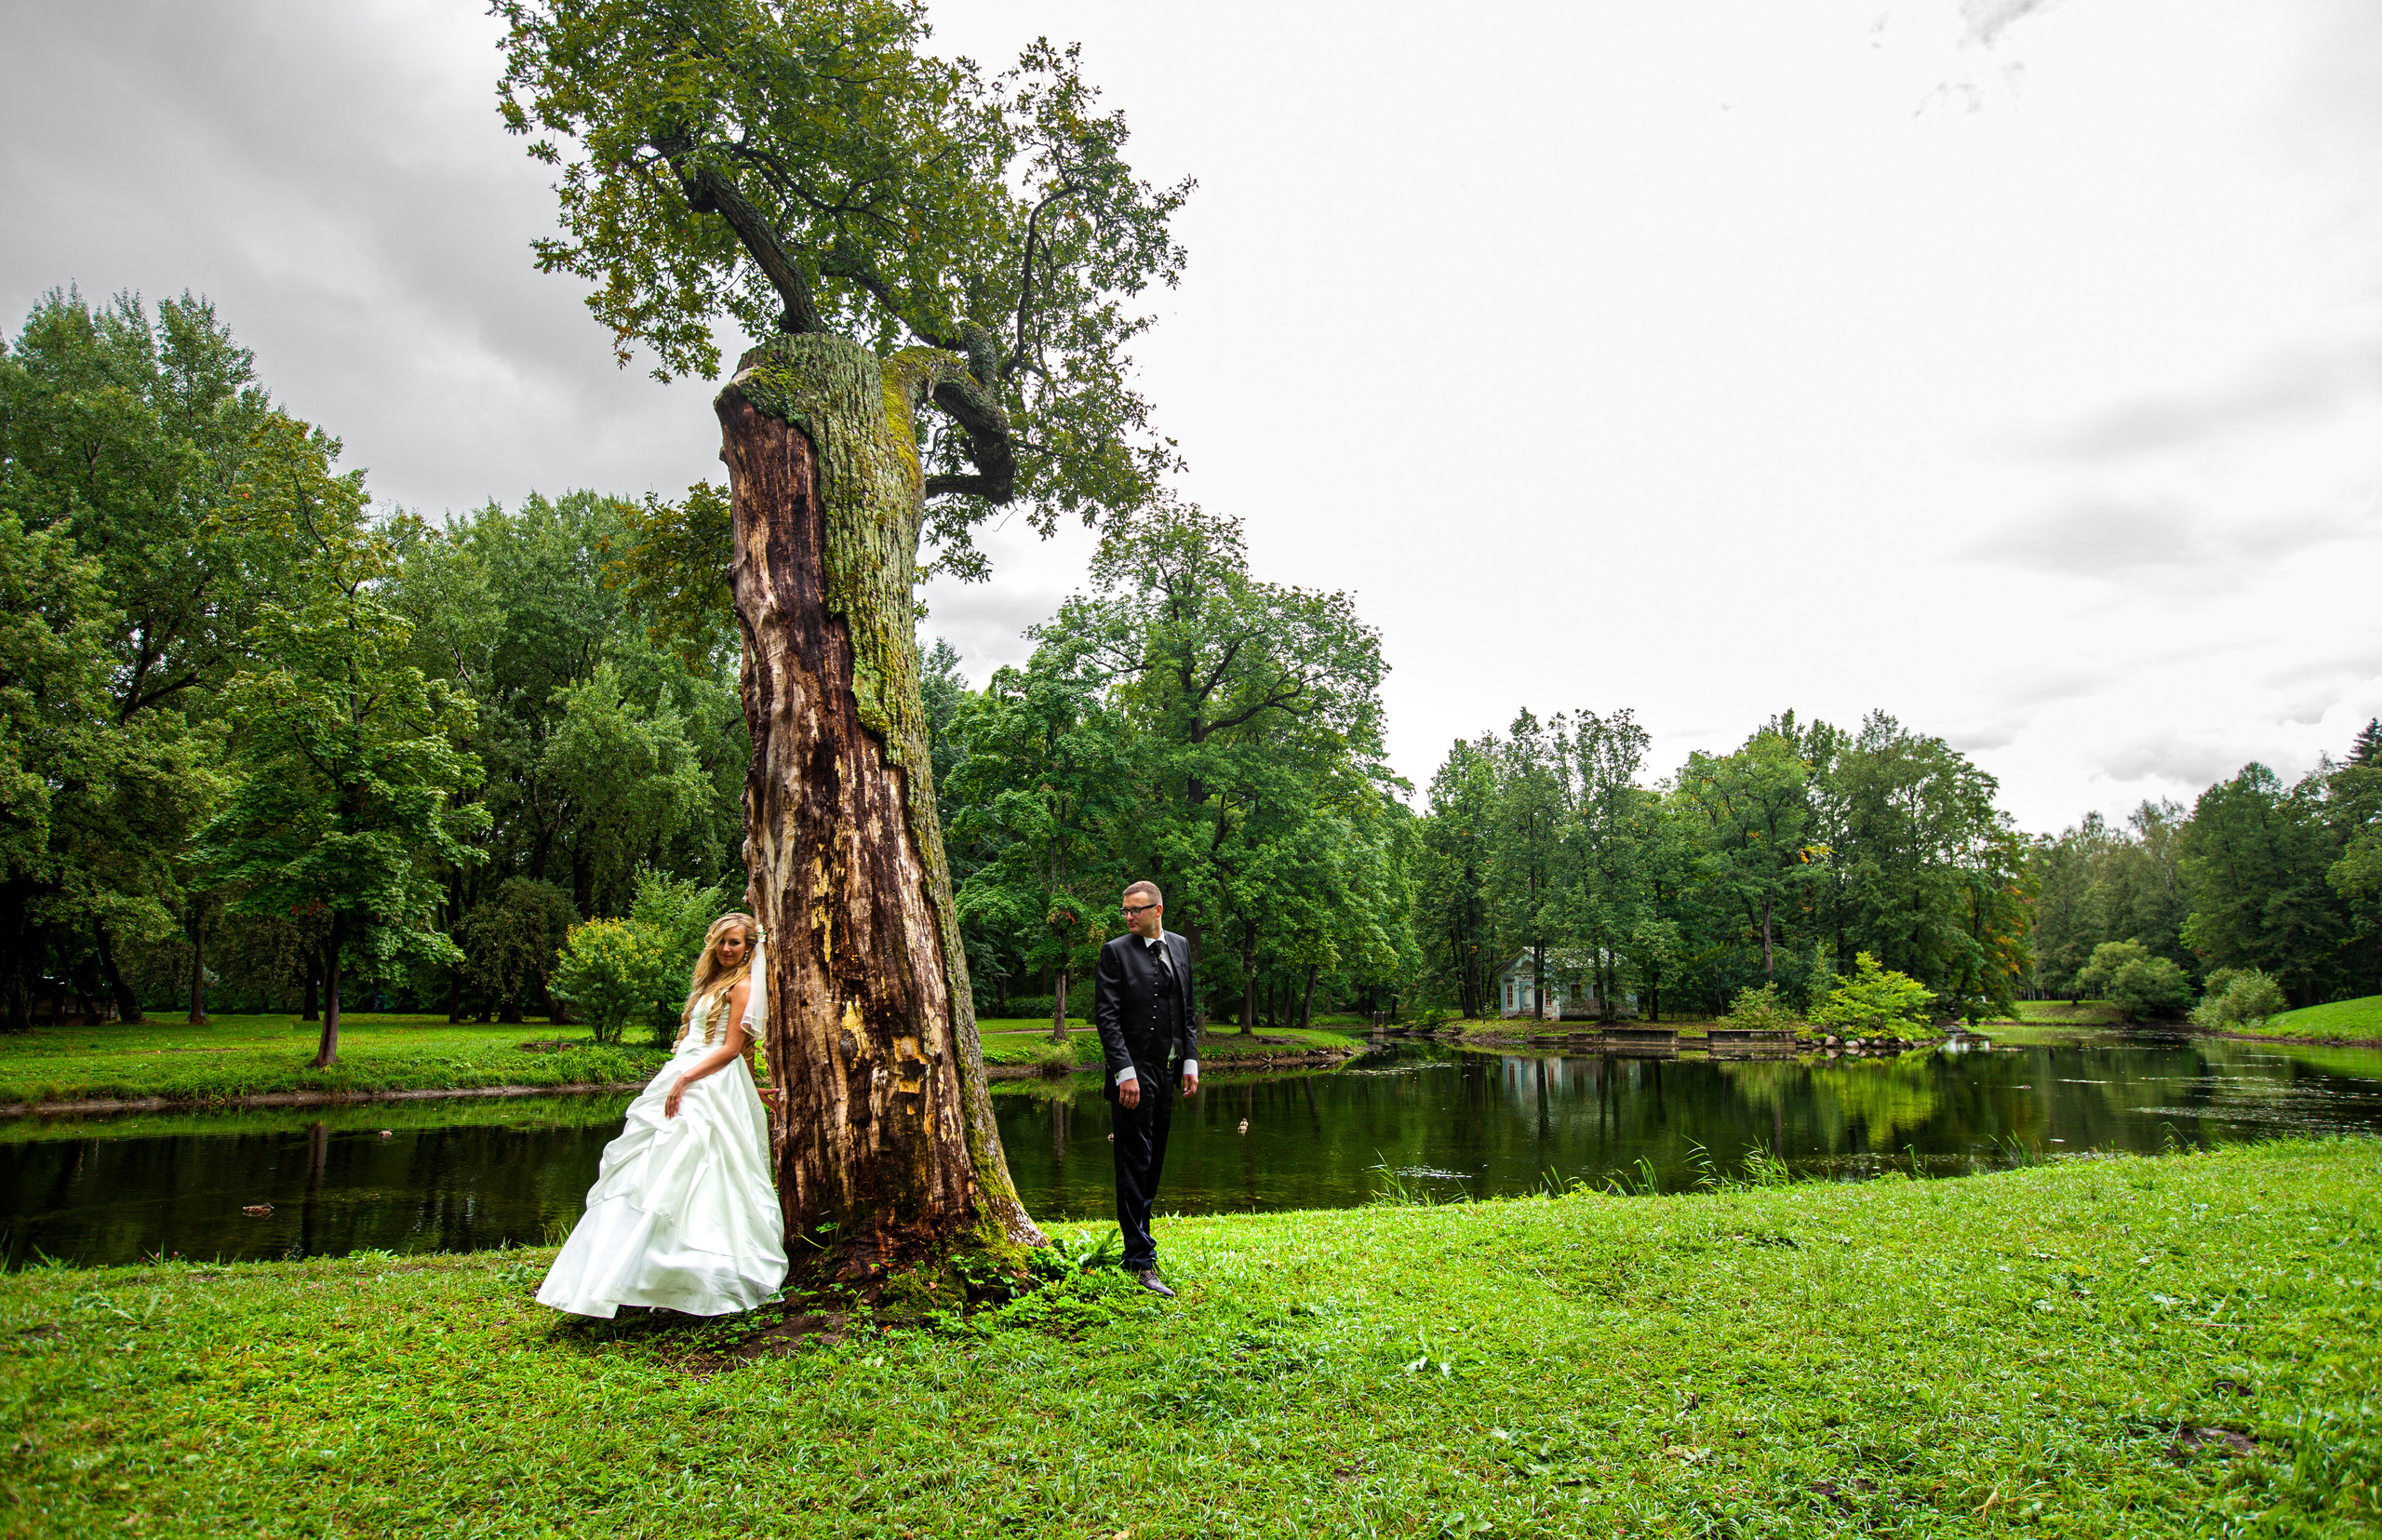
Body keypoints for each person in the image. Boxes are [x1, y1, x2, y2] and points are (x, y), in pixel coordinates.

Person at [537, 914, 789, 1318]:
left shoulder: (743, 985)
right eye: (722, 942)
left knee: (699, 1164)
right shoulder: (710, 984)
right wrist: (740, 1085)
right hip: (687, 1075)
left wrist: (686, 1079)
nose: (727, 949)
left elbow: (731, 1048)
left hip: (700, 1083)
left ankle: (699, 1275)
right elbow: (715, 1045)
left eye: (736, 943)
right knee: (648, 1169)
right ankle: (632, 1275)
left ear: (749, 948)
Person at [1091, 879, 1199, 1297]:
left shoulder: (1180, 946)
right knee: (1133, 1163)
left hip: (1167, 1069)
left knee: (1153, 1162)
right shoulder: (1115, 952)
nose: (1128, 916)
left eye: (1135, 910)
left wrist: (1189, 1060)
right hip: (1132, 1077)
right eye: (1125, 911)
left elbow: (1186, 1008)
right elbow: (1107, 1017)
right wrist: (1124, 1072)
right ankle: (1138, 1261)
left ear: (1157, 910)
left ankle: (1142, 1247)